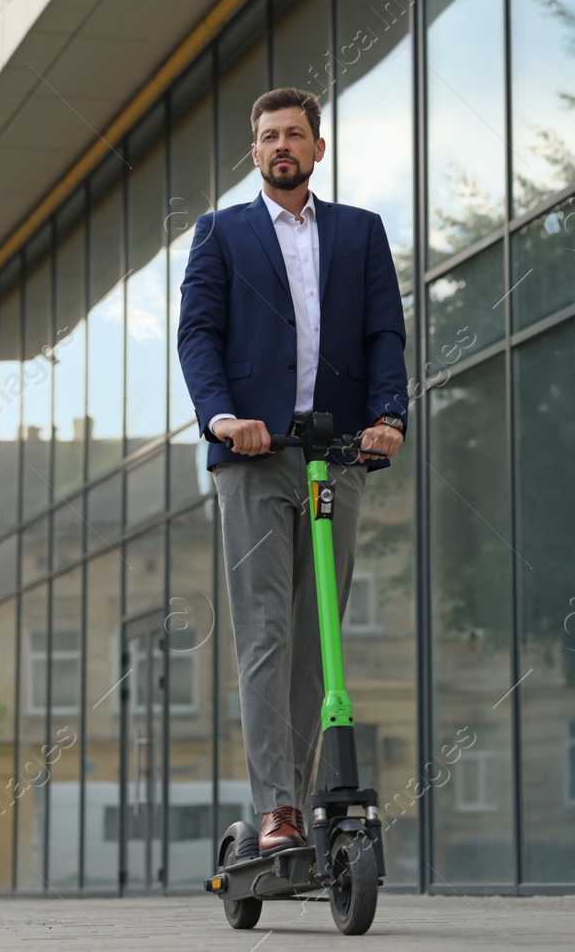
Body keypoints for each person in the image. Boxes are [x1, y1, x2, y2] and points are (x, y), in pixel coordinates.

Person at [176, 87, 408, 853]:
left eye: (295, 134)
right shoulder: (220, 233)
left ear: (317, 149)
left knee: (318, 638)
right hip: (254, 457)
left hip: (336, 454)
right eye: (269, 134)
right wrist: (222, 418)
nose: (282, 144)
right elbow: (199, 336)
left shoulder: (359, 233)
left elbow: (385, 336)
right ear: (255, 152)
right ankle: (276, 806)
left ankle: (304, 799)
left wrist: (390, 419)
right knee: (268, 631)